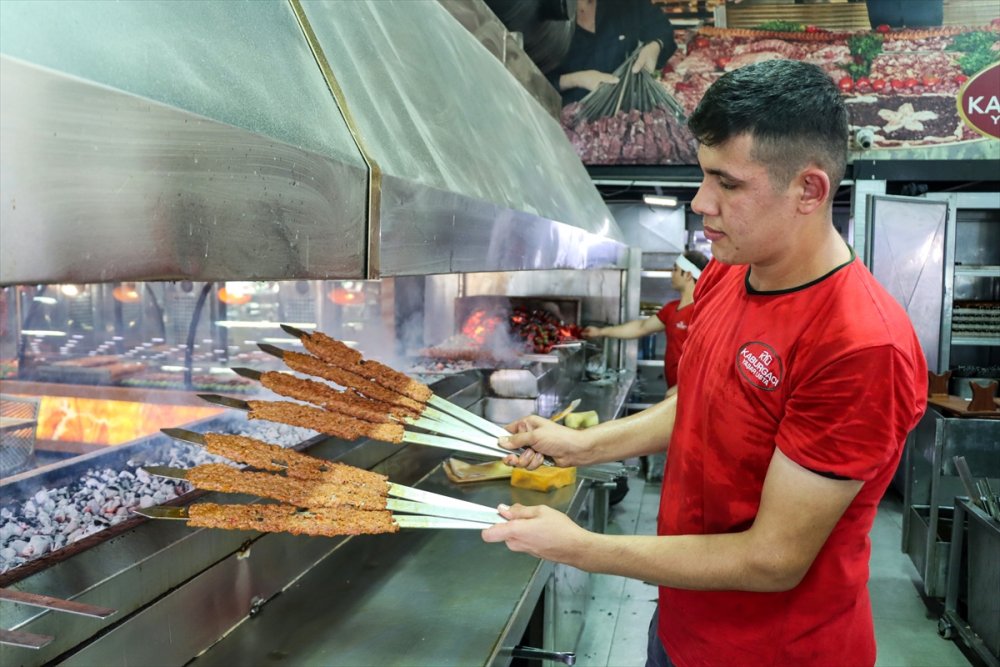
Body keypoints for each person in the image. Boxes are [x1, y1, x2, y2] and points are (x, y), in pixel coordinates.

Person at [483, 59, 928, 667]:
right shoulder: (728, 273)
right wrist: (582, 446)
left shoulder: (858, 346)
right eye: (703, 176)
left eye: (728, 183)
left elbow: (772, 560)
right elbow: (701, 403)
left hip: (773, 651)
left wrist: (582, 547)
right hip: (682, 621)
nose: (700, 203)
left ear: (810, 190)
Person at [583, 250, 709, 398]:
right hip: (675, 391)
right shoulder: (671, 308)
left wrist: (680, 388)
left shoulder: (702, 312)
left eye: (675, 269)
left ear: (688, 275)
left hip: (691, 394)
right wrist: (601, 332)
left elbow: (707, 360)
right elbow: (641, 327)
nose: (671, 274)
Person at [549, 0, 677, 106]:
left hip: (622, 118)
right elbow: (532, 81)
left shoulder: (625, 4)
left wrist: (655, 46)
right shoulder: (541, 15)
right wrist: (575, 80)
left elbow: (662, 29)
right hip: (566, 124)